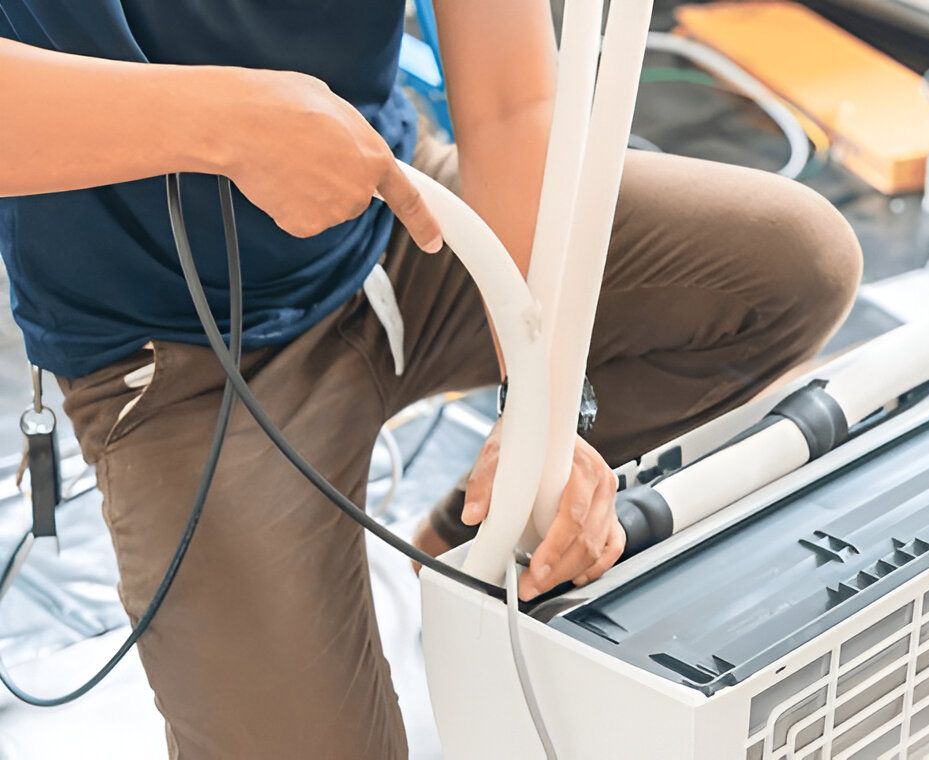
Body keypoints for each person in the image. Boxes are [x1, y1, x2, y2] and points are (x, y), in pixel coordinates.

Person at [0, 1, 861, 758]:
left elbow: (513, 102)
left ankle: (463, 546)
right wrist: (213, 124)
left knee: (790, 266)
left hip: (398, 213)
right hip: (177, 348)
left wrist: (544, 418)